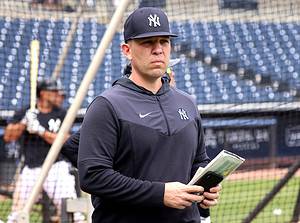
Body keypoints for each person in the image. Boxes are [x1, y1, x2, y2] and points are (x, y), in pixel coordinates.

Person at [77, 7, 221, 223]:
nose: (158, 49)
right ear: (126, 50)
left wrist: (206, 185)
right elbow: (93, 176)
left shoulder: (187, 102)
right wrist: (160, 194)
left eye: (164, 41)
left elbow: (198, 160)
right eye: (147, 42)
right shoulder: (106, 106)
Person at [4, 78, 84, 223]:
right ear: (42, 93)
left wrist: (40, 130)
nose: (58, 95)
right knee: (16, 215)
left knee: (74, 214)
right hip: (31, 169)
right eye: (54, 92)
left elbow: (64, 140)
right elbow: (8, 137)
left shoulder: (61, 113)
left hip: (56, 168)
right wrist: (23, 123)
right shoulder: (27, 111)